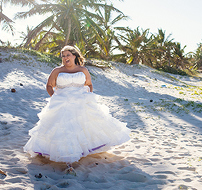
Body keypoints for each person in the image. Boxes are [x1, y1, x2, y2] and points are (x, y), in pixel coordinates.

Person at [23, 45, 131, 173]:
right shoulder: (57, 70)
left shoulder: (83, 69)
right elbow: (49, 86)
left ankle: (81, 151)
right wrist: (56, 98)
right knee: (64, 129)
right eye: (63, 56)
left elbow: (89, 84)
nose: (65, 58)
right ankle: (65, 156)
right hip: (62, 102)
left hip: (81, 101)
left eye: (68, 55)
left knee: (83, 127)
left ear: (74, 56)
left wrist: (87, 97)